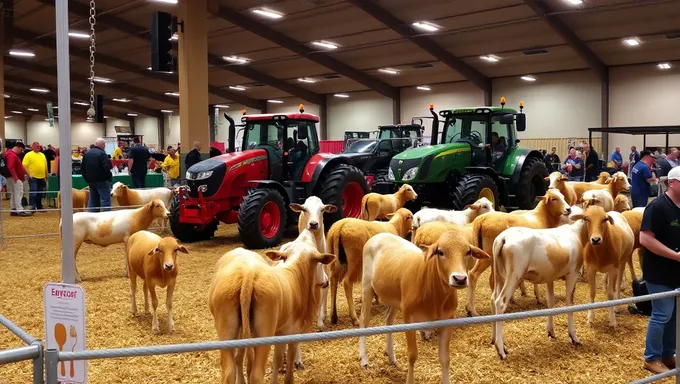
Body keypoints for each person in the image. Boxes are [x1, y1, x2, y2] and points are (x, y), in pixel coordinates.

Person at [640, 166, 680, 374]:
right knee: (662, 314)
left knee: (674, 315)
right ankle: (651, 357)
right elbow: (645, 238)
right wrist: (675, 256)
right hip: (659, 271)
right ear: (672, 183)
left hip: (676, 271)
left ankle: (668, 354)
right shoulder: (657, 207)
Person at [82, 138, 113, 212]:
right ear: (102, 145)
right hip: (102, 181)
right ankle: (106, 218)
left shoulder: (86, 154)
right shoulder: (102, 153)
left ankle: (92, 216)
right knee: (106, 200)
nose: (104, 146)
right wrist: (108, 178)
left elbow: (82, 168)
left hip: (91, 181)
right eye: (104, 144)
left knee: (93, 200)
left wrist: (87, 179)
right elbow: (107, 167)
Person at [5, 142, 32, 216]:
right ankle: (20, 210)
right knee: (18, 193)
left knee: (14, 194)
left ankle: (14, 209)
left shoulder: (10, 154)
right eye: (22, 150)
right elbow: (11, 167)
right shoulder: (12, 155)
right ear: (19, 147)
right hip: (15, 178)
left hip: (12, 178)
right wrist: (16, 178)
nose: (21, 152)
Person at [22, 142, 49, 212]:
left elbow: (45, 166)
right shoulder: (28, 155)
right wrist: (29, 174)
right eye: (36, 146)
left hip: (42, 177)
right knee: (33, 192)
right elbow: (24, 165)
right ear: (32, 147)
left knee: (40, 193)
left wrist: (47, 175)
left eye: (39, 146)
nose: (38, 147)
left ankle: (39, 206)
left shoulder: (42, 155)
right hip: (33, 177)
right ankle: (32, 207)